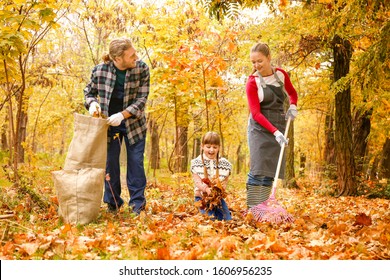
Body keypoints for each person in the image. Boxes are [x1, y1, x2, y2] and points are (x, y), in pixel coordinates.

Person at [84, 38, 150, 214]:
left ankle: (137, 206)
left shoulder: (141, 68)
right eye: (131, 55)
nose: (136, 57)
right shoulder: (100, 71)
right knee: (110, 164)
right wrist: (91, 103)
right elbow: (89, 92)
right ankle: (113, 203)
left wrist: (123, 115)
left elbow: (142, 99)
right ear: (118, 58)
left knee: (136, 163)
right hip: (109, 125)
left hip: (134, 124)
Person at [245, 42, 298, 208]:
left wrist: (293, 106)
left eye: (259, 61)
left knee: (270, 172)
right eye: (253, 62)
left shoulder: (281, 75)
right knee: (258, 169)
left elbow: (292, 93)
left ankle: (262, 208)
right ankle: (253, 208)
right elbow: (256, 113)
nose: (256, 65)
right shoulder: (252, 82)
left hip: (278, 123)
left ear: (269, 58)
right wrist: (275, 132)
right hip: (259, 128)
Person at [190, 132, 232, 221]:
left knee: (226, 219)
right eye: (208, 147)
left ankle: (222, 212)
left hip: (217, 199)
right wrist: (206, 189)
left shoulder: (224, 164)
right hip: (202, 198)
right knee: (210, 219)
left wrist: (220, 190)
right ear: (202, 146)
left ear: (219, 148)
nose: (211, 150)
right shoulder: (196, 163)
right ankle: (206, 212)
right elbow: (198, 182)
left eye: (215, 147)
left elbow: (224, 181)